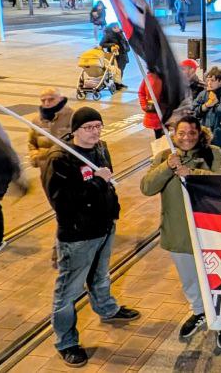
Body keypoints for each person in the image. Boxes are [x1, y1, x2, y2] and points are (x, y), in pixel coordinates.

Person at [42, 107, 141, 366]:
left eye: (98, 126)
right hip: (77, 236)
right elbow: (61, 203)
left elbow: (106, 181)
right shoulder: (59, 159)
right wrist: (96, 183)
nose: (95, 131)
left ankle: (107, 308)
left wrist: (111, 207)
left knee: (100, 274)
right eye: (89, 127)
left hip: (104, 226)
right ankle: (66, 342)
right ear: (75, 130)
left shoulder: (100, 147)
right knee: (68, 291)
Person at [140, 116, 221, 345]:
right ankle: (199, 311)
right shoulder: (164, 157)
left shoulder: (213, 152)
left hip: (210, 231)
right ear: (173, 134)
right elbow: (147, 187)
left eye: (192, 133)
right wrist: (167, 167)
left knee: (217, 279)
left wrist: (193, 174)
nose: (187, 138)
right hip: (178, 231)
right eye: (181, 133)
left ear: (199, 133)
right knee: (189, 279)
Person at [190, 67, 221, 158]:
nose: (209, 83)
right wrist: (206, 106)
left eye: (213, 80)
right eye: (208, 80)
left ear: (220, 81)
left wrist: (216, 104)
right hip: (203, 135)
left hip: (220, 137)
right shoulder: (203, 94)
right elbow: (193, 113)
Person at [29, 88, 77, 170]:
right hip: (46, 169)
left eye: (51, 99)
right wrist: (35, 158)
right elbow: (32, 143)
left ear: (61, 99)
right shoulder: (36, 121)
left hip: (69, 167)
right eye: (43, 101)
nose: (47, 103)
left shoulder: (73, 116)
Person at [100, 24, 130, 90]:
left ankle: (119, 83)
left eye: (118, 27)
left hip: (123, 54)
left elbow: (125, 41)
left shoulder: (121, 33)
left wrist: (127, 48)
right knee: (116, 70)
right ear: (111, 29)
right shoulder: (108, 35)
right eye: (115, 28)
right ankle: (115, 84)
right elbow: (102, 44)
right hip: (115, 55)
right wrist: (113, 44)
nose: (117, 29)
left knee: (121, 69)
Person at [138, 73, 167, 138]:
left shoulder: (170, 75)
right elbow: (141, 92)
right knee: (160, 139)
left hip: (169, 114)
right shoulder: (149, 77)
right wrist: (144, 105)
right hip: (155, 114)